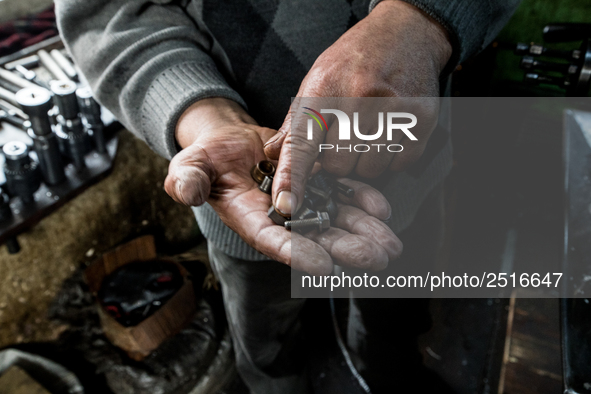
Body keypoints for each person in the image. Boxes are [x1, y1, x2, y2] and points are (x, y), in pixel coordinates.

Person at [55, 0, 520, 392]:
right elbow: (111, 14)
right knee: (268, 345)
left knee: (396, 315)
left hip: (414, 164)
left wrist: (426, 19)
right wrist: (207, 116)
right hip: (239, 196)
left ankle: (391, 373)